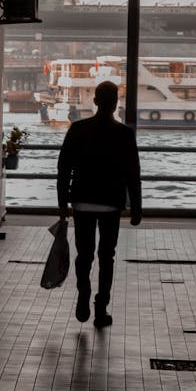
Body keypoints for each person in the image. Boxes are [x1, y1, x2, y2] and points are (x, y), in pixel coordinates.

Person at [57, 80, 142, 328]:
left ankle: (83, 293)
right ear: (116, 104)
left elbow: (63, 169)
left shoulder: (78, 129)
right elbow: (133, 174)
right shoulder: (125, 134)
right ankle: (101, 308)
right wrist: (136, 208)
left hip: (82, 202)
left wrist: (63, 204)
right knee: (107, 257)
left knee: (84, 256)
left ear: (95, 101)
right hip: (111, 204)